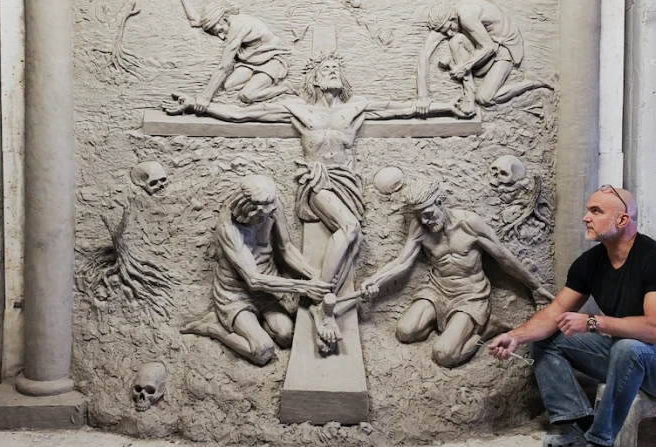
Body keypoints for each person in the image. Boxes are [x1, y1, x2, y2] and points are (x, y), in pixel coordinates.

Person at [166, 51, 466, 352]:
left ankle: (324, 295)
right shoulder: (298, 109)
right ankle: (323, 306)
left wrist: (444, 107)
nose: (332, 71)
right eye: (326, 68)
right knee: (349, 228)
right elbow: (242, 114)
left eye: (336, 68)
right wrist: (199, 105)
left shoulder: (355, 107)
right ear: (314, 79)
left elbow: (402, 109)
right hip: (317, 180)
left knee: (355, 240)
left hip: (348, 181)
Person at [489, 186, 656, 447]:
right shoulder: (590, 262)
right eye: (588, 210)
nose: (585, 217)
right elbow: (554, 312)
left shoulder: (651, 258)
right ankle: (579, 424)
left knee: (628, 348)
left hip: (649, 361)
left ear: (623, 220)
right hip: (623, 359)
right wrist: (514, 336)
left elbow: (653, 329)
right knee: (546, 338)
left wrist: (593, 322)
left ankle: (599, 441)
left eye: (596, 211)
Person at [360, 179, 554, 367]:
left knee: (444, 355)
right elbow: (402, 261)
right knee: (405, 332)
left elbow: (503, 257)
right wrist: (374, 280)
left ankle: (485, 330)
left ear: (439, 203)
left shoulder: (469, 223)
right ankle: (447, 326)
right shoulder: (420, 226)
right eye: (420, 216)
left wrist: (535, 287)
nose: (425, 221)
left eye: (427, 214)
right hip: (437, 290)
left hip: (470, 295)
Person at [180, 175, 333, 365]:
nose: (267, 217)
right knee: (262, 351)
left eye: (270, 211)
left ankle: (256, 326)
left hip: (268, 288)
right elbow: (253, 279)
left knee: (286, 335)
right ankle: (214, 327)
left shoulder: (271, 205)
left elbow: (286, 248)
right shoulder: (228, 228)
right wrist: (304, 287)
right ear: (246, 208)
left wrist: (313, 275)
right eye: (260, 215)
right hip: (236, 293)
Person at [415, 0, 553, 116]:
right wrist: (422, 97)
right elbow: (424, 56)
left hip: (504, 46)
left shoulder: (466, 15)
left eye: (450, 28)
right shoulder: (444, 22)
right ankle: (469, 99)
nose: (449, 33)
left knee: (484, 98)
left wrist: (464, 67)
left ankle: (531, 83)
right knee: (455, 40)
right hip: (484, 48)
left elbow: (489, 47)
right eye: (445, 31)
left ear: (452, 18)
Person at [179, 1, 296, 104]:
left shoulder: (237, 27)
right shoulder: (222, 20)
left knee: (247, 95)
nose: (221, 37)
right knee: (228, 86)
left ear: (223, 20)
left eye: (220, 31)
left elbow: (224, 67)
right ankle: (258, 82)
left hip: (271, 60)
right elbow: (196, 20)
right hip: (252, 61)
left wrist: (205, 97)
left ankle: (284, 88)